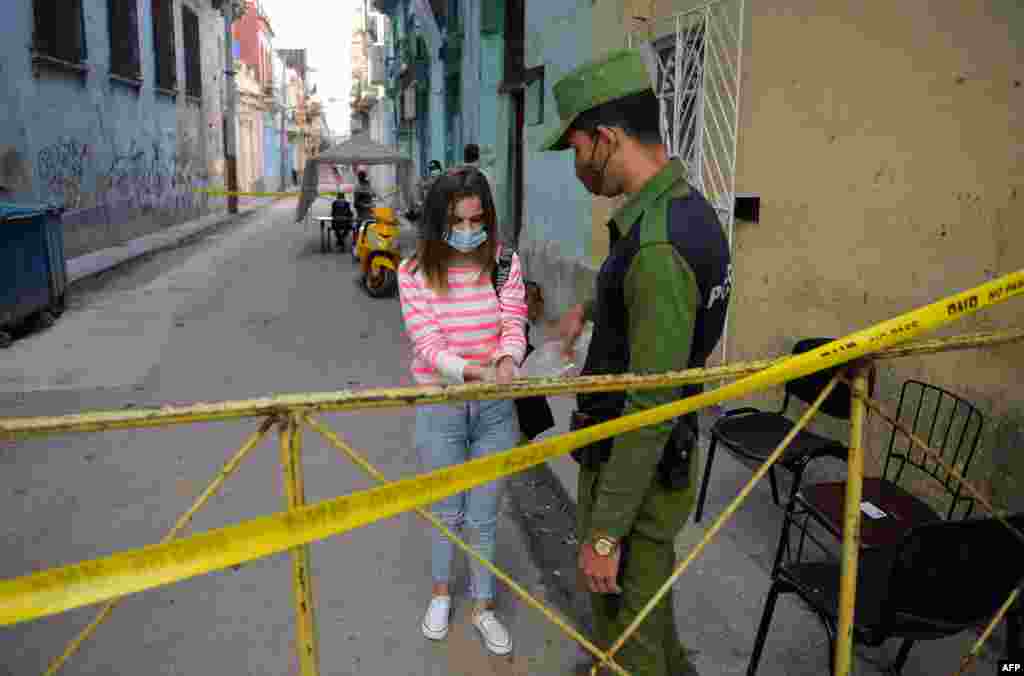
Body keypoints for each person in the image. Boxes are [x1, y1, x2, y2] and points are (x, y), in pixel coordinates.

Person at [541, 48, 733, 676]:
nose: (576, 166)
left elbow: (649, 404)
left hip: (636, 472)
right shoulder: (689, 213)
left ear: (606, 138)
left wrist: (603, 533)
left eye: (575, 150)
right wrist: (590, 310)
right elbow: (650, 303)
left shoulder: (656, 246)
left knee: (630, 644)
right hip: (655, 463)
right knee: (652, 627)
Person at [397, 167, 527, 657]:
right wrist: (472, 372)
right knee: (447, 510)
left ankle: (483, 607)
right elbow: (427, 343)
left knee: (484, 514)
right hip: (441, 406)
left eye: (478, 220)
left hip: (495, 408)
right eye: (458, 220)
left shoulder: (503, 262)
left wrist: (510, 359)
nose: (469, 230)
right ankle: (439, 594)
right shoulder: (413, 273)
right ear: (438, 221)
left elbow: (514, 322)